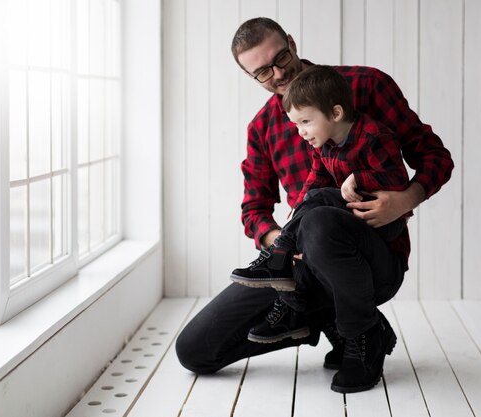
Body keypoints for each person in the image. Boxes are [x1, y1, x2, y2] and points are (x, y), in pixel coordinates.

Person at [176, 17, 454, 393]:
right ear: (251, 77)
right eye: (262, 72)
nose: (277, 73)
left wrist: (406, 199)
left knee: (321, 221)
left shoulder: (366, 85)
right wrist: (281, 243)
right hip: (300, 267)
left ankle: (352, 328)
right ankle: (338, 320)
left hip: (371, 258)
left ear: (291, 41)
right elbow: (253, 211)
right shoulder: (262, 128)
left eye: (281, 57)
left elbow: (435, 155)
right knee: (195, 350)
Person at [230, 66, 412, 358]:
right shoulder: (323, 144)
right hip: (332, 231)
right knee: (313, 203)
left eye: (305, 122)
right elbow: (310, 181)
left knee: (320, 206)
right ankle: (291, 301)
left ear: (335, 114)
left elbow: (398, 179)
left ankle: (359, 332)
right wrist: (293, 221)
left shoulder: (373, 135)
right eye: (262, 71)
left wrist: (359, 178)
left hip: (379, 225)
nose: (301, 132)